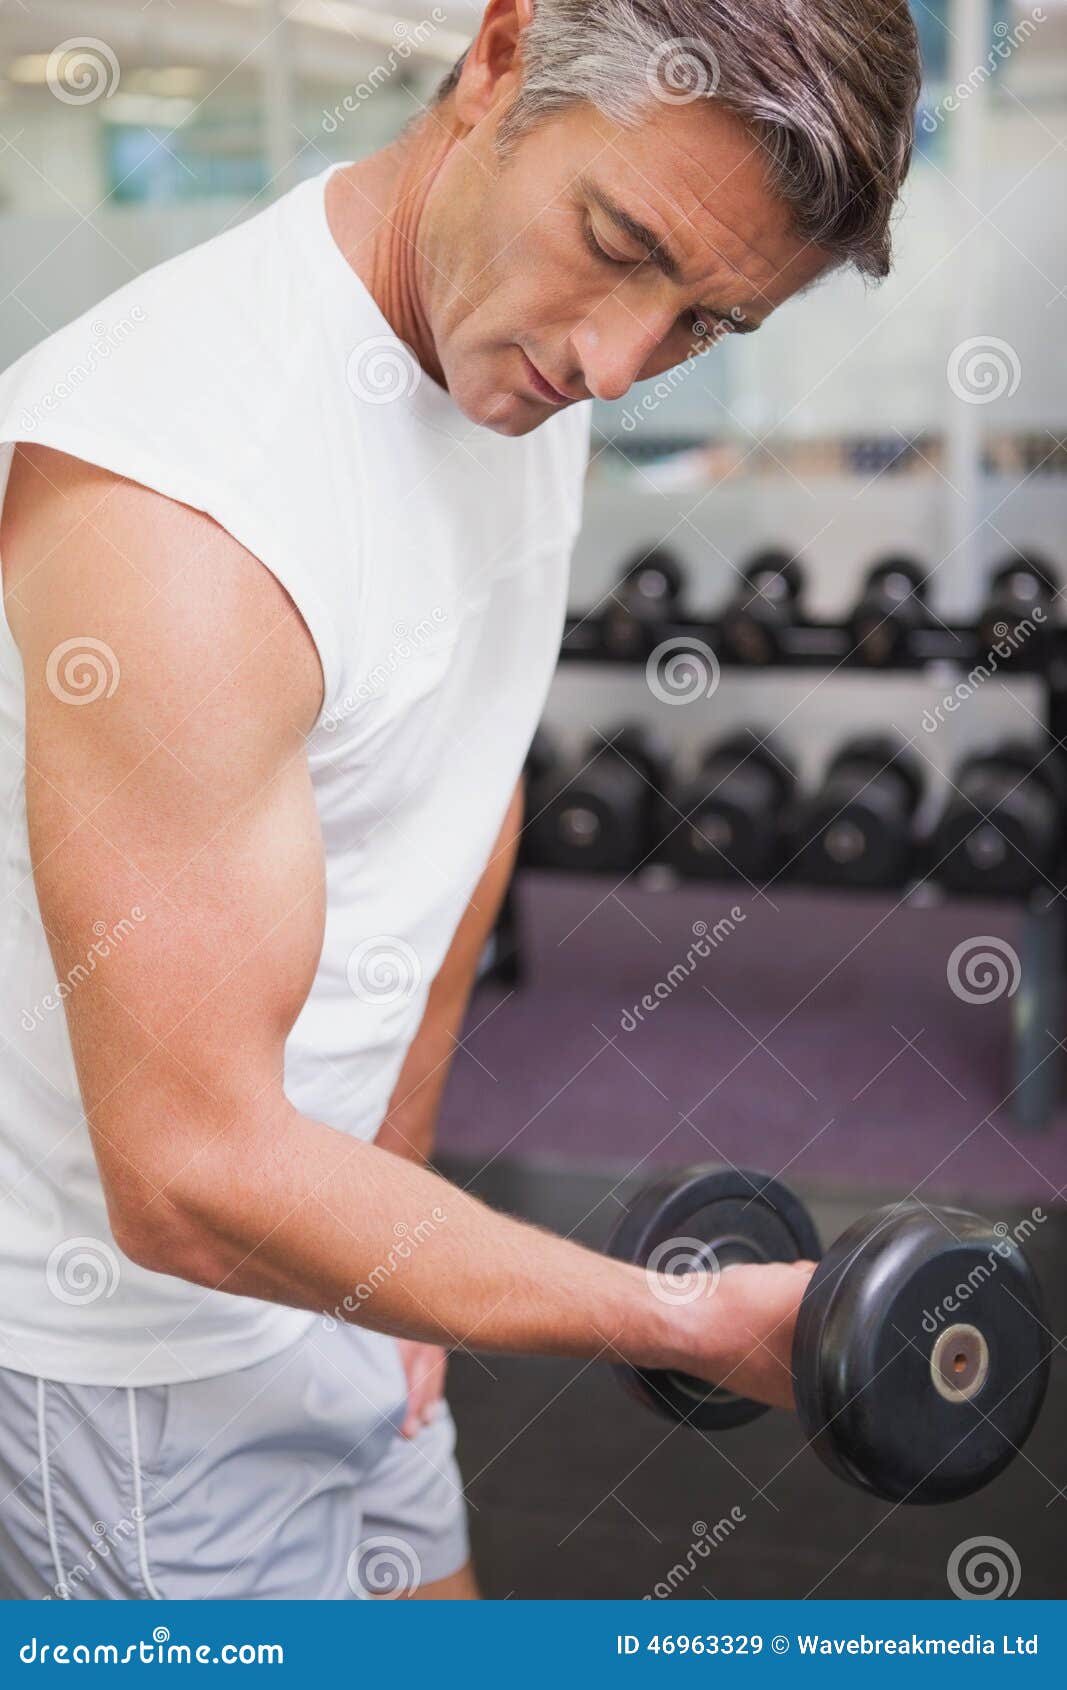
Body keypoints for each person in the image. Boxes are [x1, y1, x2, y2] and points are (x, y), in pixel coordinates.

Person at [0, 0, 921, 1600]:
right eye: (620, 242)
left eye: (709, 321)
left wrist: (405, 1200)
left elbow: (463, 787)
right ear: (497, 57)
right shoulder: (187, 506)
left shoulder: (511, 361)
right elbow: (189, 1176)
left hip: (342, 1260)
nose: (617, 365)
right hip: (139, 1353)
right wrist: (672, 1316)